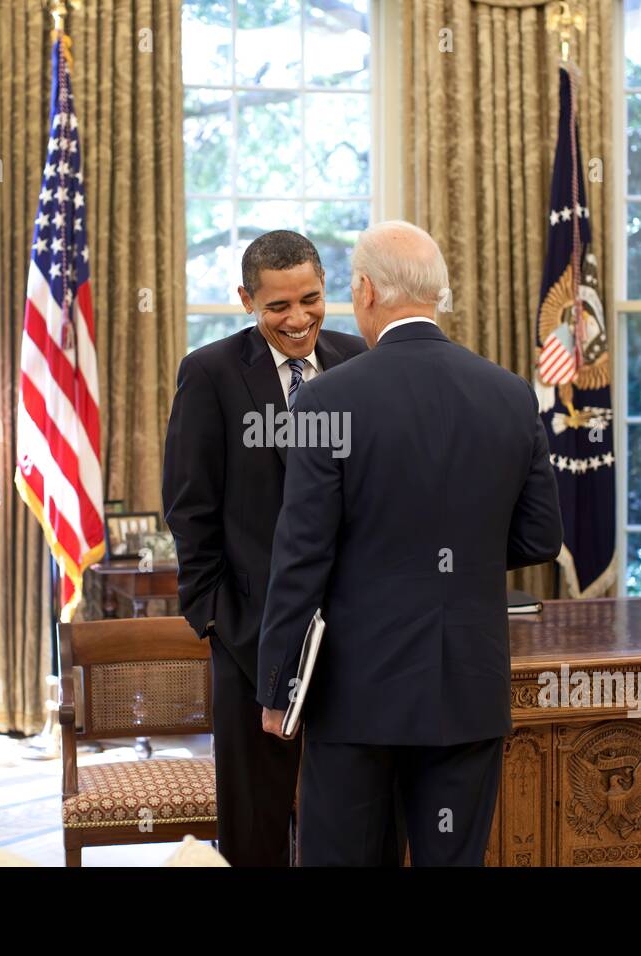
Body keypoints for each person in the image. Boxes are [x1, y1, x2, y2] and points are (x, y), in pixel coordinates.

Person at [256, 220, 563, 866]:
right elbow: (541, 536)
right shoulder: (511, 396)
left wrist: (279, 685)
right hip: (469, 695)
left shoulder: (325, 402)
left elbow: (301, 559)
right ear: (438, 293)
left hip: (357, 698)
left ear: (365, 291)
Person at [161, 230, 366, 866]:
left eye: (309, 299)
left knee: (350, 815)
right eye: (278, 307)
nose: (299, 319)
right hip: (250, 637)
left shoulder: (361, 358)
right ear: (247, 299)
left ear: (325, 287)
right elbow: (189, 506)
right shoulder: (211, 373)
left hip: (356, 636)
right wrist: (215, 615)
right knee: (256, 822)